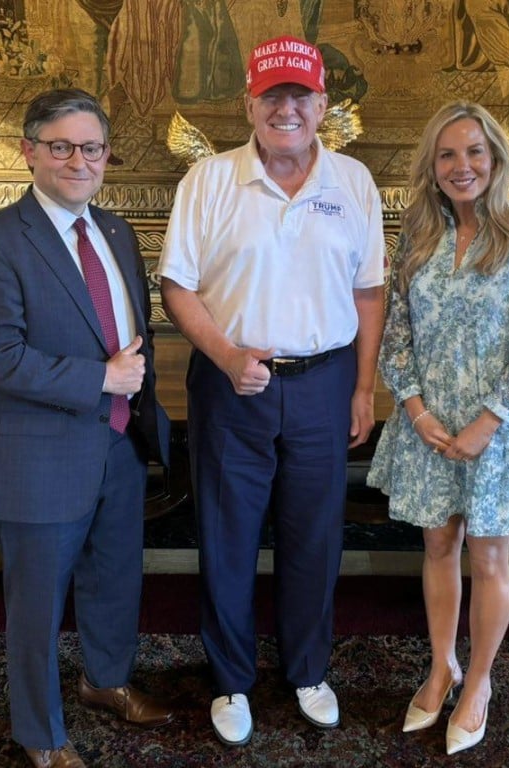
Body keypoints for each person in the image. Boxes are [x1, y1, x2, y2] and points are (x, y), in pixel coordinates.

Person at [159, 35, 385, 747]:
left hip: (323, 383)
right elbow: (177, 287)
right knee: (226, 535)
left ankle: (308, 669)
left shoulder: (353, 183)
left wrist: (363, 387)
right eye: (271, 96)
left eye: (300, 96)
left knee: (314, 536)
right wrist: (226, 355)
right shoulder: (210, 181)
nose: (285, 109)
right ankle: (230, 679)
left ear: (323, 105)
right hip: (233, 387)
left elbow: (370, 290)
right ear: (248, 104)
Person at [0, 88, 173, 768]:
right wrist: (98, 381)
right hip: (41, 457)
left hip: (118, 446)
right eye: (61, 146)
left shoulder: (114, 232)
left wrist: (133, 399)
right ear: (30, 151)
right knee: (36, 606)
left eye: (91, 147)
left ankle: (104, 680)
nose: (79, 160)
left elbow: (132, 334)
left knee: (116, 579)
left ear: (106, 155)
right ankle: (41, 734)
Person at [367, 101, 509, 755]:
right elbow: (395, 335)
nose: (462, 166)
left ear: (496, 159)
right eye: (448, 154)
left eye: (475, 152)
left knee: (489, 557)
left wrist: (488, 421)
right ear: (432, 167)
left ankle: (478, 680)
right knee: (435, 548)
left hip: (502, 430)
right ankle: (440, 666)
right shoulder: (416, 235)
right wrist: (418, 408)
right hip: (429, 426)